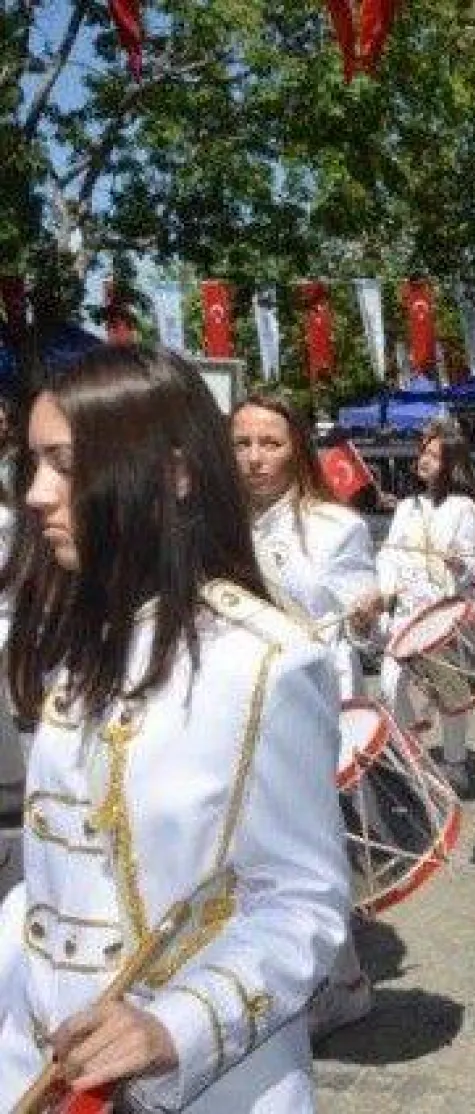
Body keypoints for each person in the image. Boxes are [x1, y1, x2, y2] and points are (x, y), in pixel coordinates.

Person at [0, 345, 349, 1109]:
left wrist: (172, 1031)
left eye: (64, 463)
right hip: (41, 1070)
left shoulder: (264, 663)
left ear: (175, 473)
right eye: (32, 463)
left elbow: (304, 902)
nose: (34, 494)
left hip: (212, 1088)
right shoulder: (75, 635)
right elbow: (53, 881)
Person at [231, 394, 382, 1038]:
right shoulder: (208, 525)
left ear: (297, 446)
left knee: (311, 841)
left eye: (271, 442)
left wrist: (369, 610)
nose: (257, 457)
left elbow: (356, 615)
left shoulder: (335, 526)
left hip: (310, 701)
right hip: (237, 701)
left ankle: (341, 982)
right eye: (242, 444)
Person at [374, 423, 475, 791]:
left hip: (441, 617)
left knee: (449, 694)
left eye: (435, 455)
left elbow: (471, 563)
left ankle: (454, 762)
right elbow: (389, 553)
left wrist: (459, 563)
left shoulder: (463, 507)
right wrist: (386, 591)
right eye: (424, 452)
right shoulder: (406, 506)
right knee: (389, 686)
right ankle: (413, 754)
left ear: (451, 463)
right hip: (405, 615)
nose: (424, 460)